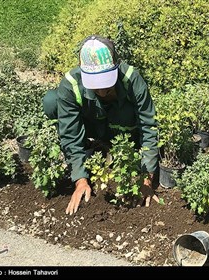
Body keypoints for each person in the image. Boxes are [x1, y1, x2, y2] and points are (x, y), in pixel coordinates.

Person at [43, 35, 159, 215]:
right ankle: (92, 146)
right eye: (96, 84)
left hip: (123, 131)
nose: (102, 91)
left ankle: (113, 148)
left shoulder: (131, 79)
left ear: (116, 66)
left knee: (127, 114)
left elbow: (148, 126)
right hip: (94, 123)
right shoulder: (72, 84)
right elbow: (70, 135)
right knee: (51, 101)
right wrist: (80, 179)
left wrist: (147, 178)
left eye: (106, 82)